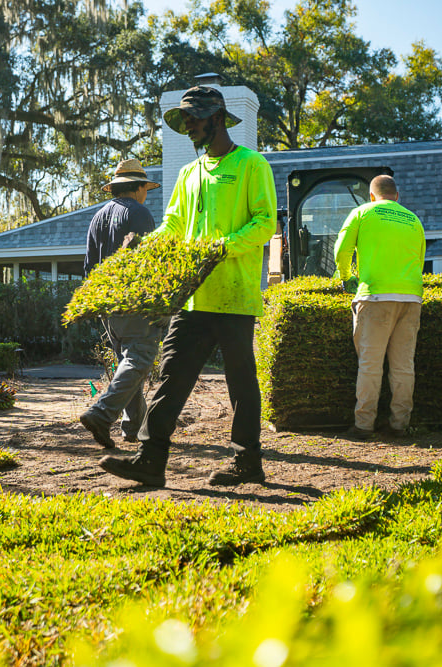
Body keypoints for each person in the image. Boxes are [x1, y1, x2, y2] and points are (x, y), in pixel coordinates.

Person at [98, 85, 278, 487]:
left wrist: (223, 247)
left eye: (194, 119)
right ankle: (150, 460)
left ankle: (247, 461)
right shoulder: (189, 173)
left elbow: (265, 222)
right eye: (185, 120)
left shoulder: (251, 164)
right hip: (193, 296)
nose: (189, 126)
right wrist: (146, 245)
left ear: (217, 117)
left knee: (241, 381)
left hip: (234, 293)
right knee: (172, 375)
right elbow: (175, 224)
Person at [333, 174, 426, 440]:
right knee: (403, 365)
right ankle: (400, 425)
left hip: (374, 296)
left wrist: (345, 277)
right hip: (411, 297)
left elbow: (341, 249)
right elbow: (419, 260)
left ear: (372, 196)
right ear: (397, 196)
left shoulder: (362, 212)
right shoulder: (413, 219)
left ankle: (364, 425)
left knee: (370, 364)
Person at [79, 159, 162, 448]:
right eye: (145, 189)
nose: (146, 194)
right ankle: (102, 414)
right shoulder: (139, 213)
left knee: (128, 364)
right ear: (138, 188)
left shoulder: (98, 216)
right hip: (132, 300)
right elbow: (147, 261)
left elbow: (88, 265)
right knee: (139, 357)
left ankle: (134, 428)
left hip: (106, 303)